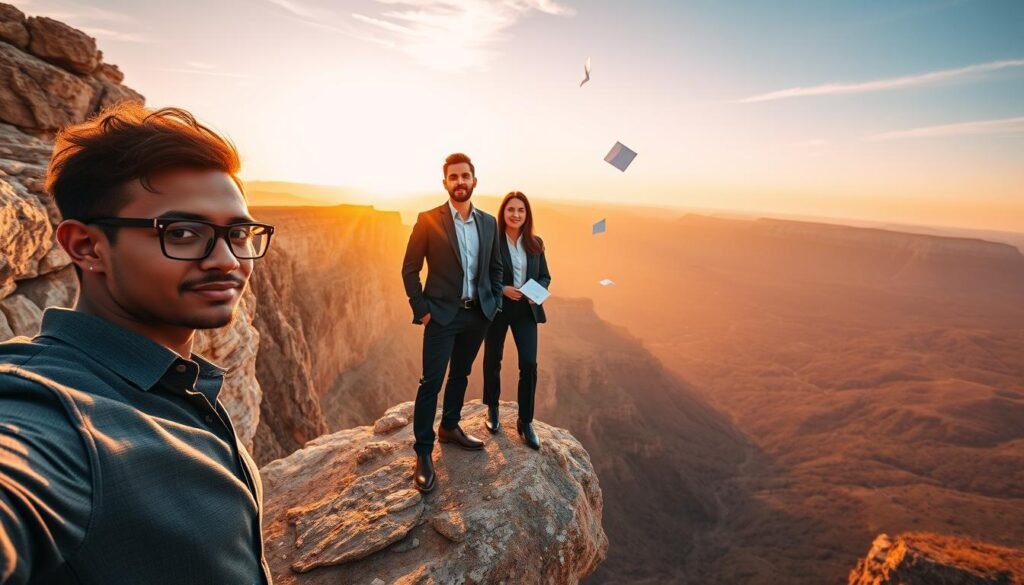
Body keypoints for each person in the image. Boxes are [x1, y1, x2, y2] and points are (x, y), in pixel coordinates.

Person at [0, 104, 274, 584]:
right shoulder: (51, 415)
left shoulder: (175, 387)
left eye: (238, 233)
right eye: (184, 233)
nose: (228, 260)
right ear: (86, 247)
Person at [401, 152, 504, 493]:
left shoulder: (489, 223)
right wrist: (423, 309)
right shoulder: (428, 219)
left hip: (478, 315)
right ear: (445, 182)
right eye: (454, 177)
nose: (460, 182)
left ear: (475, 180)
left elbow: (496, 267)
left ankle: (450, 426)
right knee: (431, 381)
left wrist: (493, 304)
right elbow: (410, 268)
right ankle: (423, 453)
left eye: (465, 176)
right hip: (442, 315)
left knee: (461, 373)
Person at [482, 192, 551, 449]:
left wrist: (536, 293)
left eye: (520, 210)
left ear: (527, 214)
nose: (515, 214)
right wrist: (502, 289)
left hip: (525, 311)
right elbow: (482, 276)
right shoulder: (492, 241)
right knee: (493, 359)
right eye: (511, 209)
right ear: (503, 213)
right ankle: (492, 409)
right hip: (498, 308)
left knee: (529, 364)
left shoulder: (535, 243)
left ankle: (526, 420)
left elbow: (545, 276)